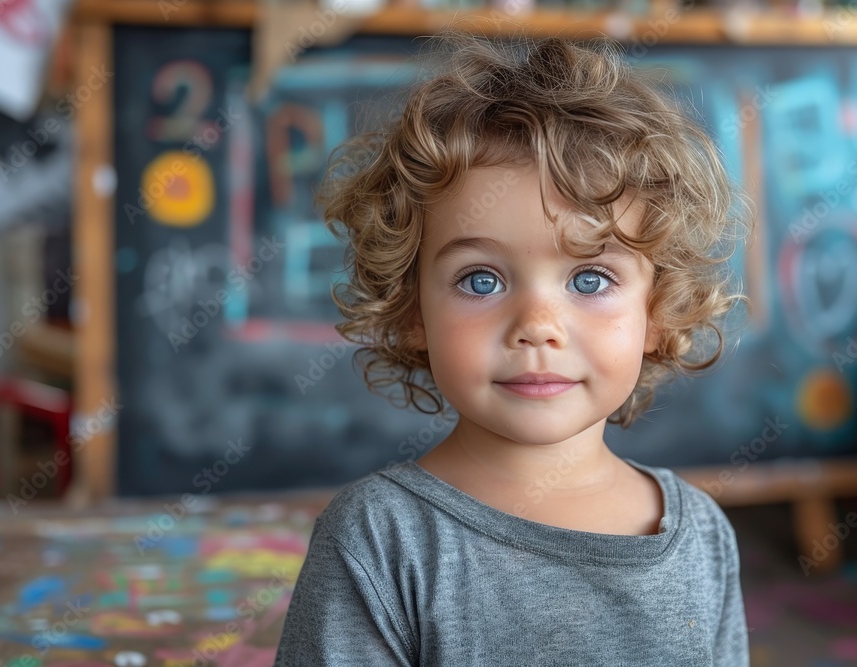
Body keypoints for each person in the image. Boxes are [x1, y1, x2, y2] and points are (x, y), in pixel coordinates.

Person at [274, 30, 752, 667]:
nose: (537, 325)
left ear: (657, 312)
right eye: (481, 280)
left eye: (591, 279)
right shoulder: (379, 539)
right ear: (412, 311)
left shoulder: (702, 535)